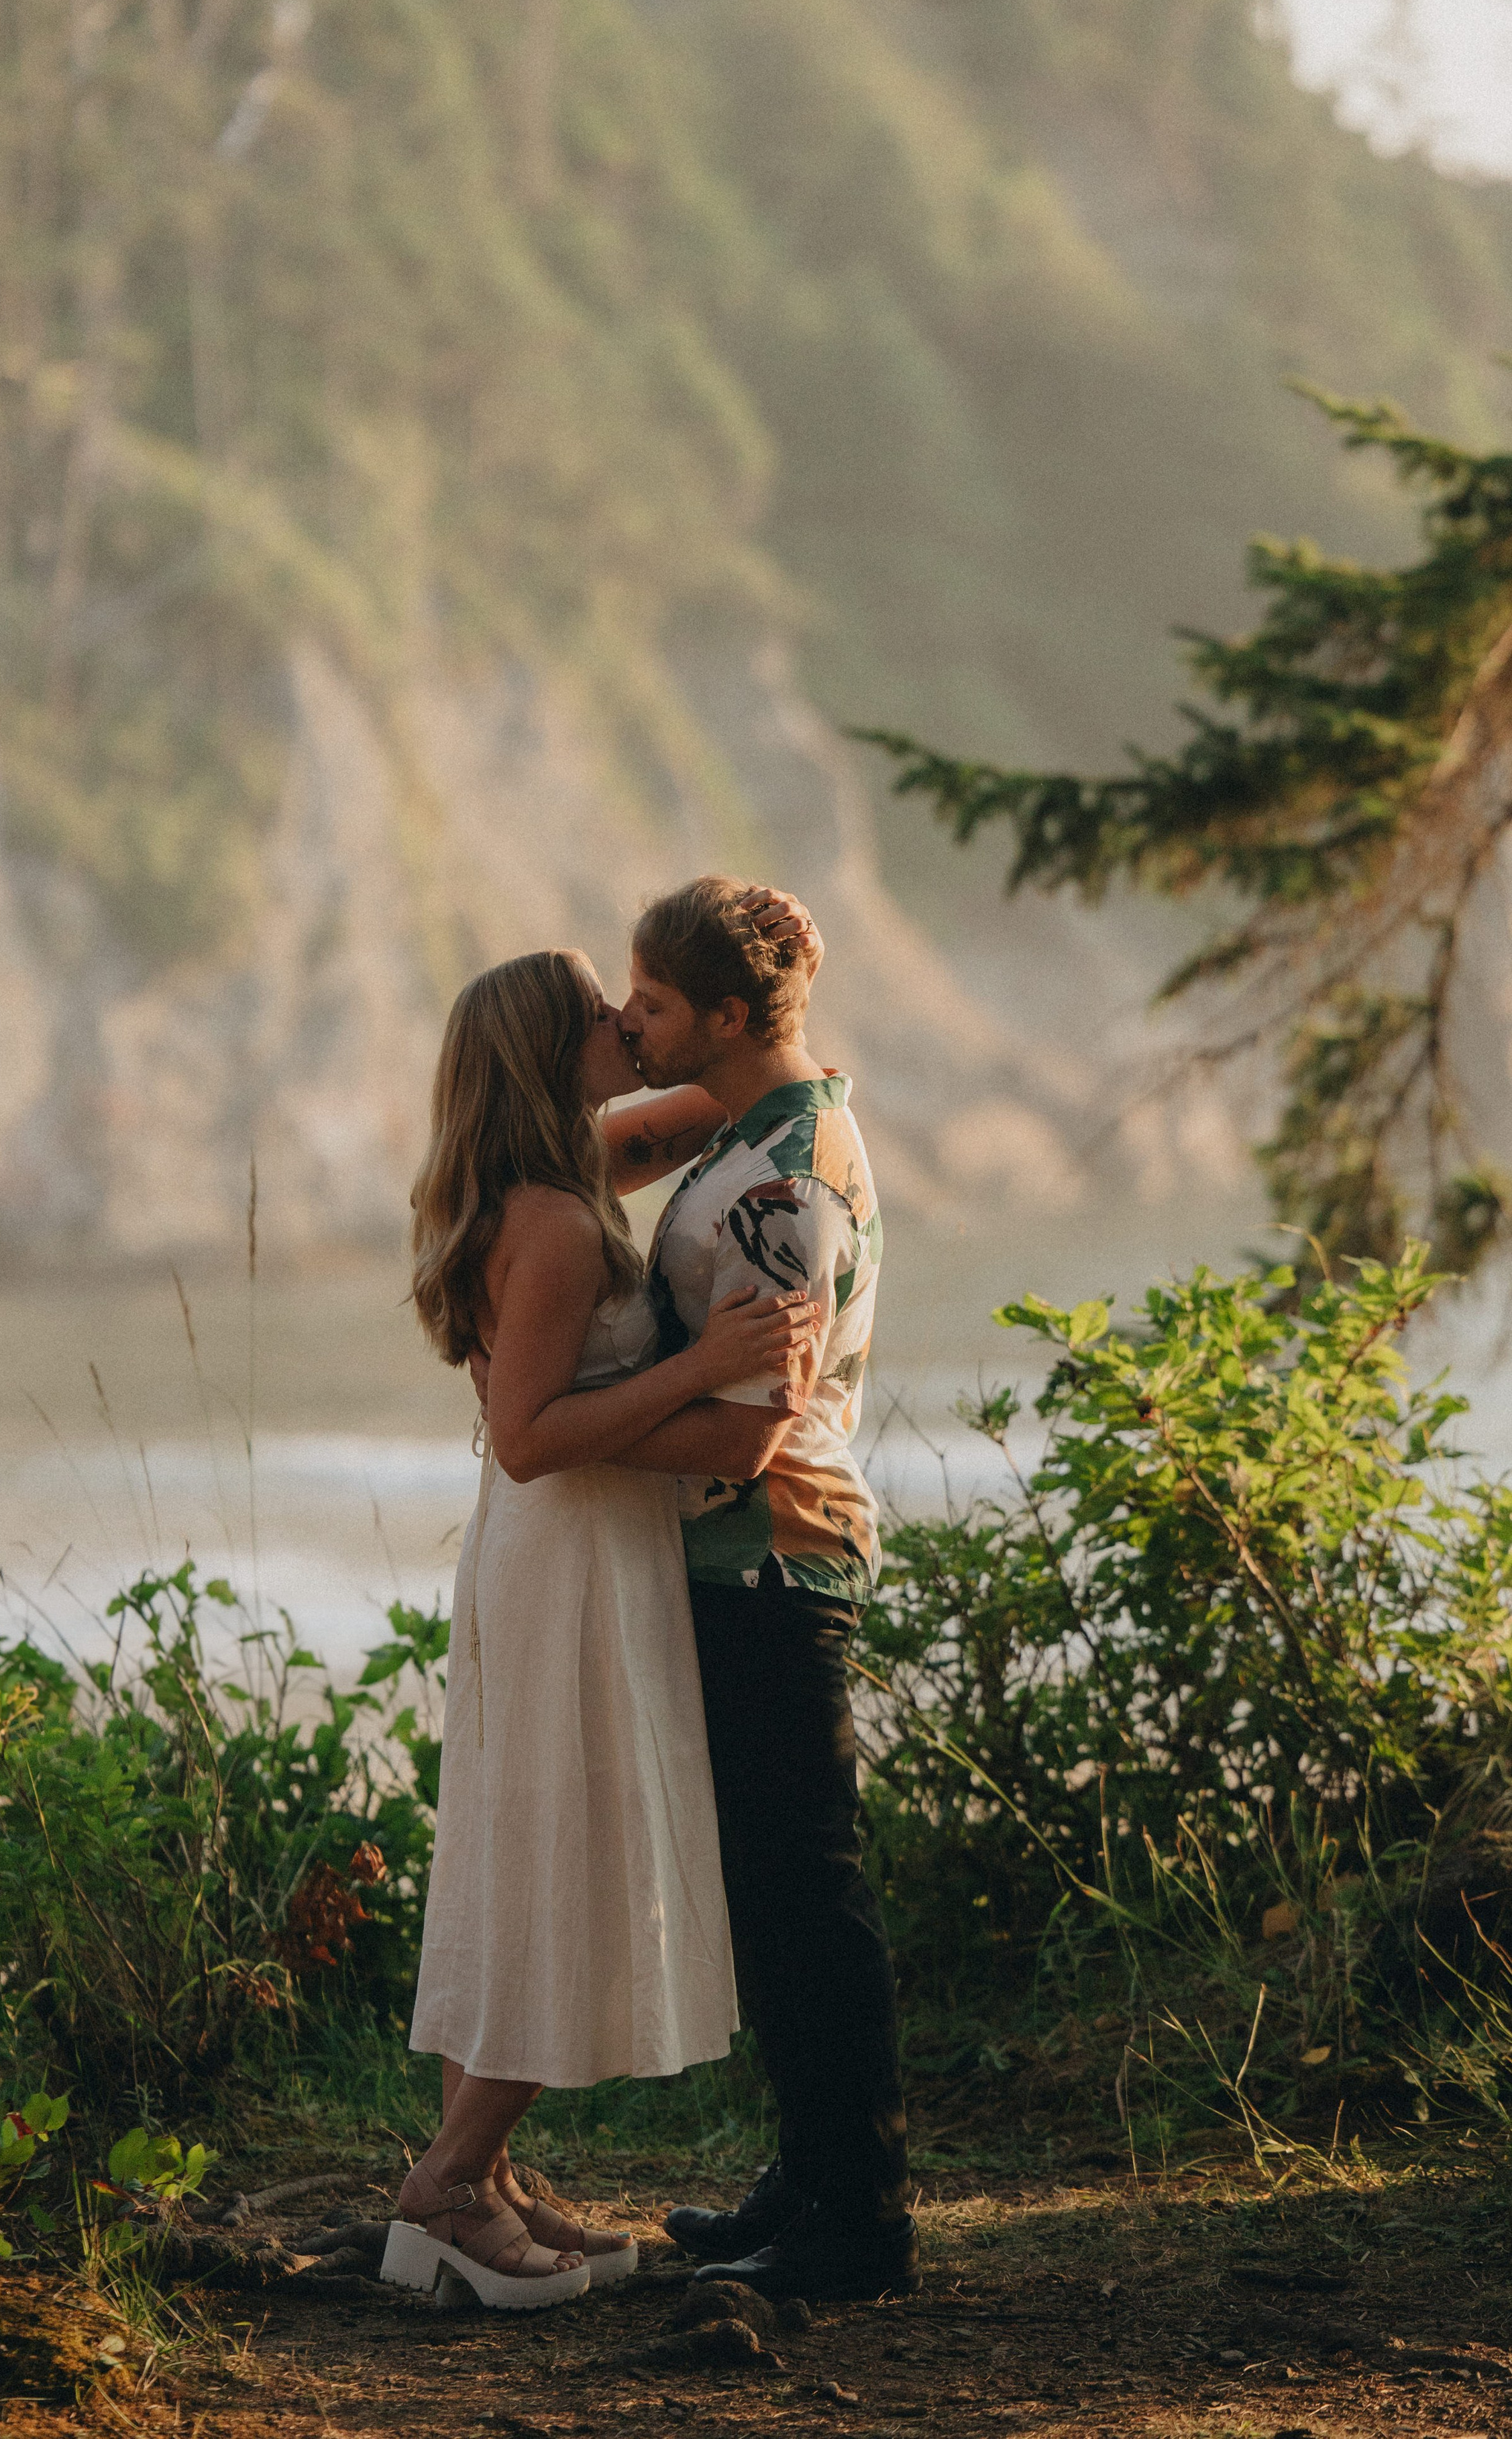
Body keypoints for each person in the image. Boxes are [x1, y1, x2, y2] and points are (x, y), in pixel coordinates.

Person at [384, 937, 819, 2312]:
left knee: (518, 1856)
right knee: (559, 1865)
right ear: (540, 1051)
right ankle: (448, 2183)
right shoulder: (561, 1227)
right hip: (566, 1555)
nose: (622, 1024)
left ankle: (484, 2183)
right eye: (596, 1014)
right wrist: (708, 1369)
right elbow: (523, 1437)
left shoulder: (538, 1179)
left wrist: (748, 1033)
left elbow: (718, 1104)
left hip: (552, 1561)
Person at [610, 876, 917, 2304]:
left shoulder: (783, 1186)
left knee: (805, 1887)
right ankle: (806, 2180)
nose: (633, 1018)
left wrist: (558, 1431)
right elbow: (570, 1147)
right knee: (775, 1885)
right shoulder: (754, 1123)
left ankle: (856, 2220)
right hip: (740, 1557)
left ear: (728, 1015)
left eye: (655, 1003)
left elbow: (743, 1432)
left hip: (773, 1554)